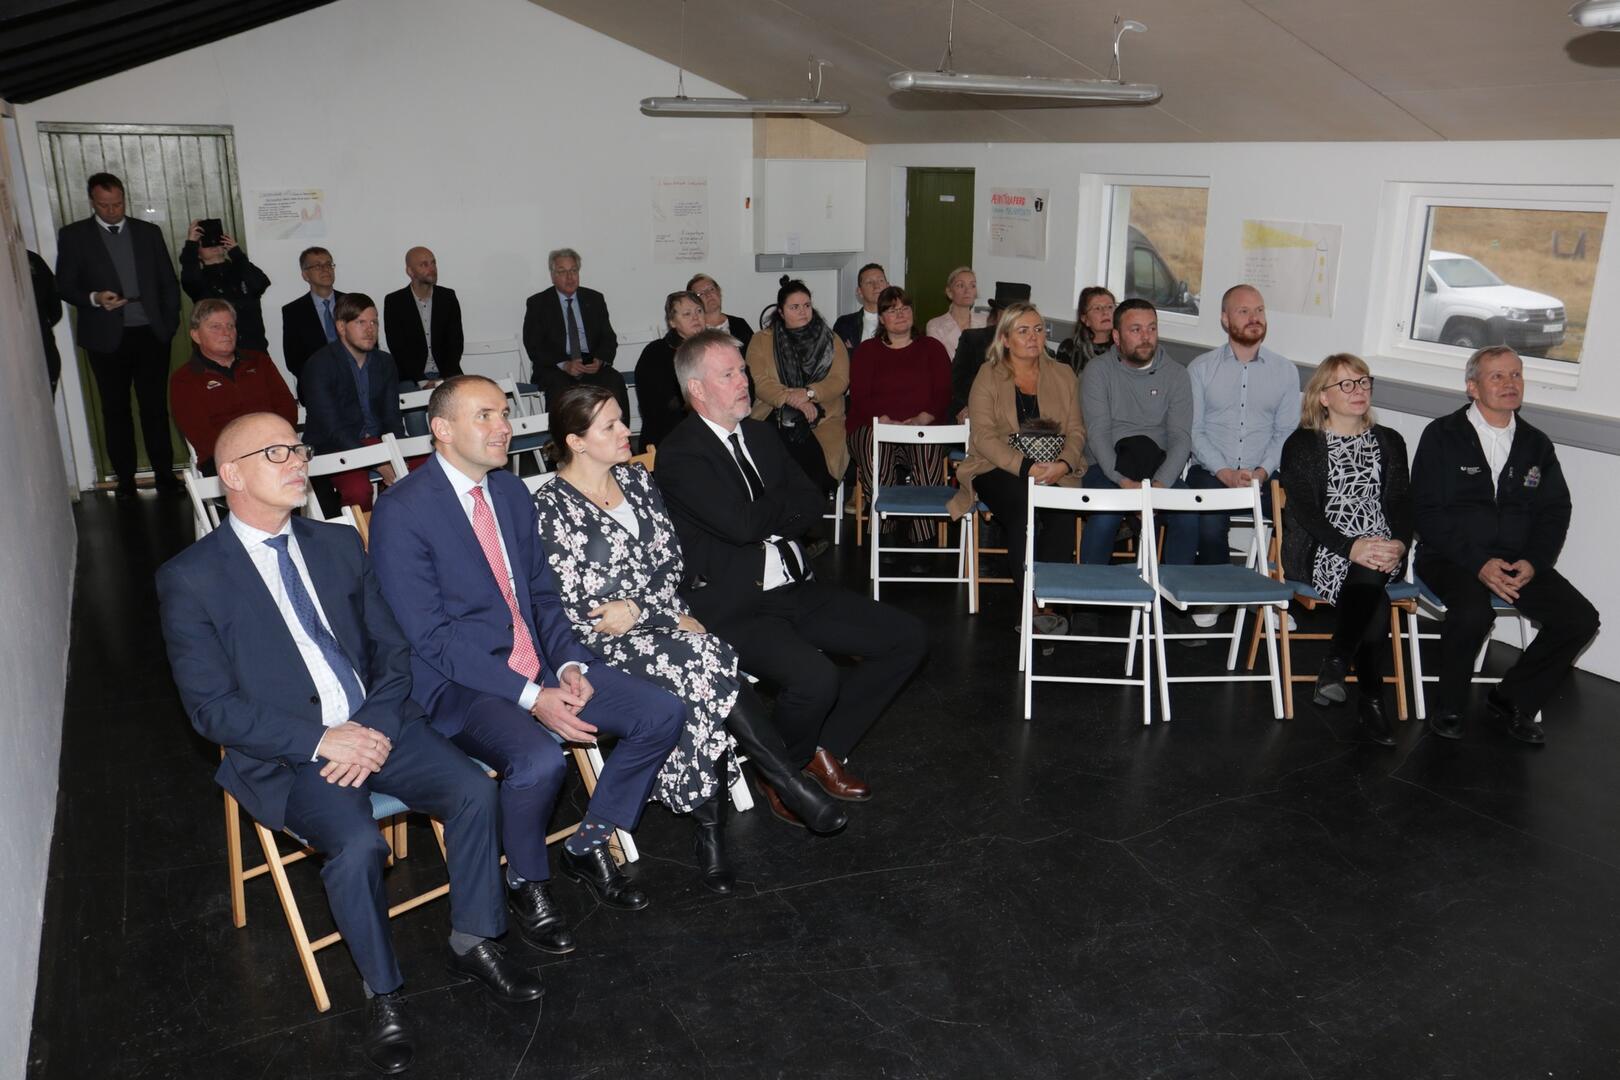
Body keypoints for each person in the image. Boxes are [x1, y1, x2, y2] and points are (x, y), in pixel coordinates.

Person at [156, 412, 542, 1076]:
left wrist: (375, 727)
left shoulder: (336, 543)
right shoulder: (192, 576)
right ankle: (383, 992)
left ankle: (476, 938)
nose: (297, 461)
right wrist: (322, 741)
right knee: (359, 844)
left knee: (475, 792)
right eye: (276, 453)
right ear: (232, 475)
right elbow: (211, 709)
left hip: (380, 724)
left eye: (298, 447)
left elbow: (394, 650)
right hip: (292, 755)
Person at [370, 375, 685, 940]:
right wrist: (532, 696)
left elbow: (542, 596)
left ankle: (588, 843)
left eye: (504, 413)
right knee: (539, 761)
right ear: (442, 429)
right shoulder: (403, 510)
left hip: (537, 663)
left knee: (660, 713)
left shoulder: (511, 493)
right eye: (485, 416)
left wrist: (568, 666)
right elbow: (432, 637)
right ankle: (526, 880)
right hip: (458, 684)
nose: (504, 427)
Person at [534, 387, 849, 888]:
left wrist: (646, 609)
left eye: (622, 420)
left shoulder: (637, 481)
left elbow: (672, 563)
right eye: (610, 426)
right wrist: (652, 614)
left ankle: (714, 828)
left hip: (665, 626)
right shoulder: (550, 507)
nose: (626, 431)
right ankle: (776, 786)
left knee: (697, 665)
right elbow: (579, 607)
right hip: (602, 646)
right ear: (576, 441)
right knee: (705, 658)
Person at [657, 331, 927, 823]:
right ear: (697, 389)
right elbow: (742, 526)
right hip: (736, 605)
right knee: (816, 678)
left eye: (742, 370)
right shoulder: (681, 454)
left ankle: (816, 751)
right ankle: (781, 771)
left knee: (907, 638)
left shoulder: (761, 435)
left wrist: (768, 511)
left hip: (795, 587)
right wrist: (777, 508)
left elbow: (814, 500)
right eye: (729, 374)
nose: (744, 381)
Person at [1410, 346, 1600, 744]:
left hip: (1517, 559)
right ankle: (1449, 705)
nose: (1510, 383)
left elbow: (1555, 510)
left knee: (1579, 618)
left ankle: (1513, 699)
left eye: (1516, 375)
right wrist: (1479, 563)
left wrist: (1534, 561)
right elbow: (1426, 513)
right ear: (1472, 387)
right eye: (1497, 376)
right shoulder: (1442, 435)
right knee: (1473, 613)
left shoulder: (1536, 444)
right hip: (1451, 556)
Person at [1279, 355, 1412, 746]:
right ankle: (1371, 699)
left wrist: (1400, 544)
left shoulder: (1389, 441)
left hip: (1383, 546)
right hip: (1323, 546)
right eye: (1347, 385)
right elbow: (1304, 511)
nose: (1359, 391)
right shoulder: (1302, 443)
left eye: (1364, 382)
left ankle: (1337, 663)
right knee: (1375, 598)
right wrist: (1349, 546)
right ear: (1323, 396)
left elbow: (1402, 503)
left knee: (1372, 567)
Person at [945, 302, 1083, 627]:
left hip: (1054, 466)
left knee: (1061, 511)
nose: (1033, 337)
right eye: (1023, 331)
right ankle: (1031, 604)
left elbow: (1077, 430)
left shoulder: (1063, 374)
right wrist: (1027, 467)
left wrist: (1064, 464)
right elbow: (983, 437)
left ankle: (1051, 603)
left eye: (1038, 329)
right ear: (1005, 339)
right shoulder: (988, 375)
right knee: (1024, 506)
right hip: (996, 467)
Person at [54, 171, 181, 498]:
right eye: (104, 205)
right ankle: (125, 481)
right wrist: (95, 298)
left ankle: (165, 476)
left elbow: (168, 282)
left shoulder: (148, 232)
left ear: (124, 199)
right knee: (115, 410)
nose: (112, 210)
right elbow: (64, 285)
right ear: (92, 202)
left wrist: (169, 325)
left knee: (155, 408)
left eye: (118, 204)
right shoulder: (74, 236)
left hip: (151, 334)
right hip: (105, 337)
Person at [1187, 284, 1300, 589]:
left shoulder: (1285, 371)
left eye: (1259, 310)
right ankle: (1217, 594)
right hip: (1212, 472)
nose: (1254, 317)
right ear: (1225, 319)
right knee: (1210, 522)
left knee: (1300, 515)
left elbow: (1286, 433)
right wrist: (1225, 472)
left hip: (1265, 475)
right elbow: (1194, 431)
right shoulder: (1200, 369)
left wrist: (1261, 472)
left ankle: (1274, 597)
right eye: (1244, 311)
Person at [1079, 299, 1198, 568]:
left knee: (1187, 513)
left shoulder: (1176, 375)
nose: (1146, 337)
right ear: (1116, 337)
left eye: (1151, 328)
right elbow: (1098, 434)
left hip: (1157, 467)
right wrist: (1124, 483)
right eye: (1136, 330)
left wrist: (1159, 487)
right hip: (1107, 466)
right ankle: (1088, 591)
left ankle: (1173, 590)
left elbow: (1181, 438)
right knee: (1107, 513)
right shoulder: (1097, 371)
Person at [847, 285, 952, 544]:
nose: (901, 314)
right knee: (875, 447)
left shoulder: (932, 348)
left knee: (927, 448)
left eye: (905, 308)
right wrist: (885, 421)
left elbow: (943, 393)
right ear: (882, 318)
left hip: (923, 426)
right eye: (892, 310)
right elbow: (859, 397)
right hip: (875, 426)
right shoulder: (867, 351)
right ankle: (883, 531)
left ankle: (923, 535)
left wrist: (923, 418)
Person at [299, 293, 410, 512]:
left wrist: (397, 453)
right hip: (333, 446)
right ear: (341, 327)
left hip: (377, 441)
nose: (370, 329)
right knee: (359, 490)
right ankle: (358, 532)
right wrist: (378, 460)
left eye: (374, 322)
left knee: (426, 468)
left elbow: (392, 417)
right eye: (361, 322)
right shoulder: (319, 365)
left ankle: (395, 523)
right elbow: (332, 428)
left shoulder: (384, 361)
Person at [746, 276, 849, 495]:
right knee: (785, 436)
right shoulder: (761, 340)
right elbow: (760, 382)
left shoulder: (830, 339)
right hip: (774, 413)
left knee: (814, 460)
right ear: (781, 312)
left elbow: (840, 380)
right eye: (794, 307)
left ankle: (809, 498)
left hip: (824, 417)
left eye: (807, 305)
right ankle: (803, 498)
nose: (803, 311)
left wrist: (809, 393)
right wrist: (795, 401)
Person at [168, 299, 297, 473]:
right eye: (215, 327)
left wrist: (275, 442)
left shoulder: (259, 362)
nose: (226, 333)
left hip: (275, 448)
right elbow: (200, 434)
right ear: (196, 335)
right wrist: (246, 452)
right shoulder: (185, 379)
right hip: (224, 459)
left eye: (230, 326)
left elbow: (286, 406)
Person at [521, 247, 630, 419]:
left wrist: (600, 360)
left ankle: (619, 433)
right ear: (553, 276)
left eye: (573, 270)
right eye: (562, 271)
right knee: (560, 389)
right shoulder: (538, 303)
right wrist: (565, 364)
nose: (570, 277)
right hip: (557, 365)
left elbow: (608, 338)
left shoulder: (594, 299)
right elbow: (534, 345)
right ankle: (561, 436)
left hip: (589, 361)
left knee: (614, 381)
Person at [178, 219, 272, 356]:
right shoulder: (199, 279)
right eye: (206, 242)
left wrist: (236, 253)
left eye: (217, 239)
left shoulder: (240, 268)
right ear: (197, 251)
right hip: (218, 350)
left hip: (254, 348)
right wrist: (191, 244)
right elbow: (190, 279)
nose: (213, 244)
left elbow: (260, 284)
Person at [633, 290, 706, 450]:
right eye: (687, 314)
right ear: (672, 322)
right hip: (672, 433)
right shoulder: (655, 353)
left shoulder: (717, 347)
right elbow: (660, 407)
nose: (695, 317)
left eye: (699, 311)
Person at [383, 246, 464, 387]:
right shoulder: (395, 302)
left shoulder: (447, 297)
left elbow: (455, 343)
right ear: (410, 271)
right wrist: (422, 381)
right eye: (424, 264)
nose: (432, 268)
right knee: (410, 397)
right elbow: (398, 348)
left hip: (447, 374)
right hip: (411, 378)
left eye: (433, 263)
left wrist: (442, 381)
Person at [950, 281, 1031, 419]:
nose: (1010, 320)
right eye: (1005, 313)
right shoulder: (973, 339)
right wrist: (970, 406)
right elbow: (957, 382)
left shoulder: (1033, 345)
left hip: (1020, 415)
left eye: (1016, 315)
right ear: (997, 314)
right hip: (978, 409)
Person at [280, 246, 342, 392]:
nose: (325, 269)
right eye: (318, 266)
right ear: (305, 275)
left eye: (328, 264)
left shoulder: (352, 303)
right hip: (316, 386)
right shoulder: (293, 311)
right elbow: (293, 359)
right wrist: (319, 381)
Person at [923, 266, 987, 359]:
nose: (967, 290)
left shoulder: (986, 322)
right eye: (960, 285)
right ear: (949, 292)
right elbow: (936, 360)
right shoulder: (935, 325)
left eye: (972, 286)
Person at [686, 273, 754, 351]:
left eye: (711, 289)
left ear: (719, 291)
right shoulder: (693, 329)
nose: (708, 294)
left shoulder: (739, 324)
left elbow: (754, 353)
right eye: (701, 293)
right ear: (693, 301)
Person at [832, 263, 888, 354]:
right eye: (869, 282)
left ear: (888, 286)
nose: (876, 286)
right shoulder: (845, 324)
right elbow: (839, 358)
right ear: (860, 291)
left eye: (881, 280)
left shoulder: (900, 320)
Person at [1057, 286, 1116, 373]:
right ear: (1085, 319)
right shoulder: (1070, 349)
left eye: (1110, 307)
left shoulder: (1124, 348)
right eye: (1097, 308)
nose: (1105, 312)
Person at [27, 250, 63, 392]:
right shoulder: (31, 259)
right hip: (42, 354)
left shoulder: (32, 260)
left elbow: (55, 309)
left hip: (42, 355)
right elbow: (55, 311)